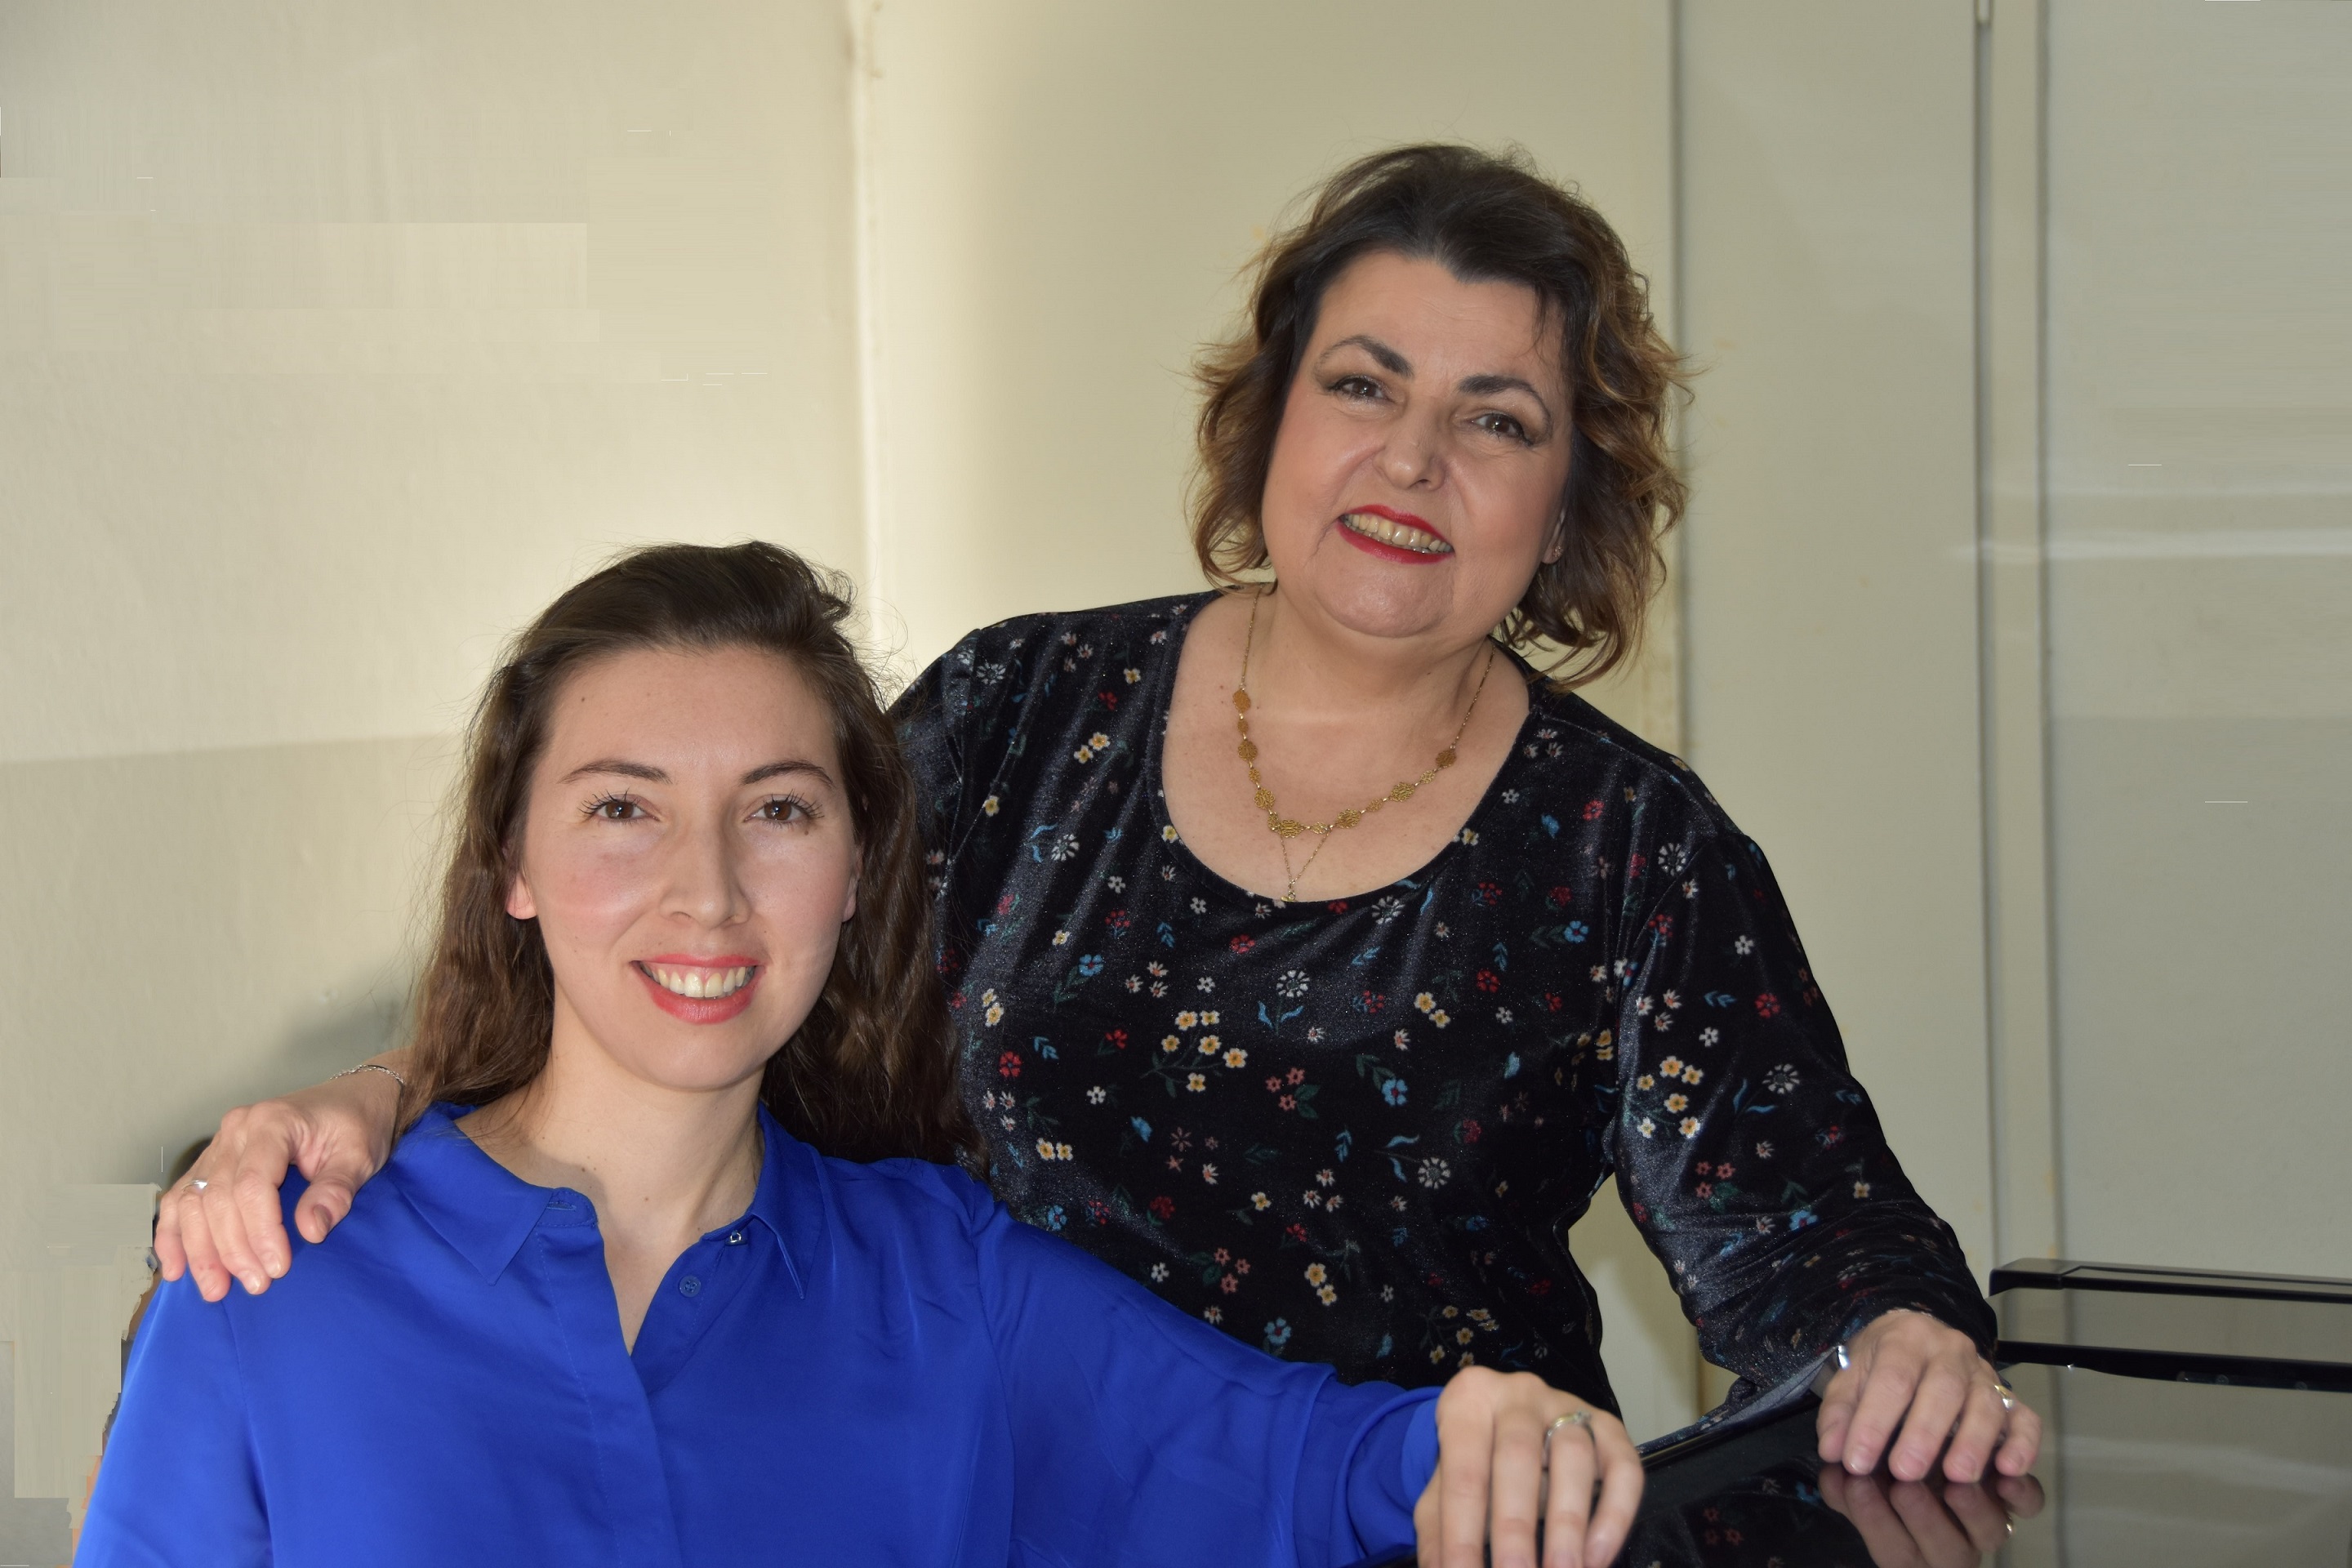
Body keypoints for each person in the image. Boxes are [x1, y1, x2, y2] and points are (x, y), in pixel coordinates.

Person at [157, 144, 2039, 1493]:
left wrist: (1903, 1346)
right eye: (1364, 385)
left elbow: (1818, 1247)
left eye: (1497, 420)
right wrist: (379, 1098)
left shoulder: (1634, 850)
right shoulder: (1016, 707)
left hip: (1420, 1515)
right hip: (971, 1509)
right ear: (1268, 420)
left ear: (1568, 505)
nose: (1411, 460)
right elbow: (709, 947)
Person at [84, 542, 1630, 1568]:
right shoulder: (274, 1281)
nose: (708, 890)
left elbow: (1312, 1463)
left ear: (857, 868)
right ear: (514, 863)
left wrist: (1502, 1426)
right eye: (622, 808)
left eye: (778, 810)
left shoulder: (952, 1288)